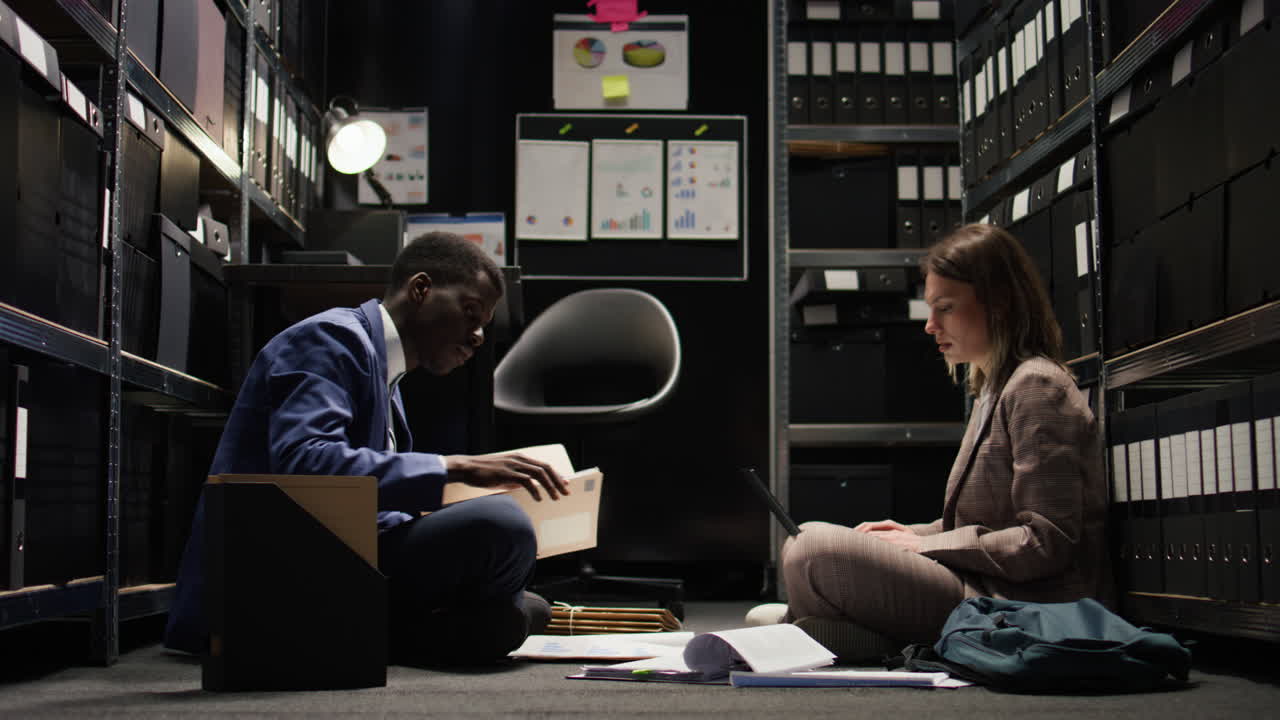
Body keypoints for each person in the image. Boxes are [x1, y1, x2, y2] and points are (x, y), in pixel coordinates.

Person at [164, 231, 570, 665]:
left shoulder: (385, 374)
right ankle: (349, 635)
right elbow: (304, 463)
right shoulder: (329, 339)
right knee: (503, 527)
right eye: (470, 313)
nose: (476, 337)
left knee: (528, 606)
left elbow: (368, 502)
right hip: (279, 572)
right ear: (420, 289)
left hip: (338, 558)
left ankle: (374, 633)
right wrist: (455, 469)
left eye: (482, 327)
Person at [762, 223, 1113, 662]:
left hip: (1016, 602)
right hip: (979, 584)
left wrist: (925, 546)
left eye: (945, 308)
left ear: (999, 304)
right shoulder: (994, 387)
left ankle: (842, 637)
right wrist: (916, 533)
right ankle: (847, 638)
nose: (930, 326)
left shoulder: (1037, 387)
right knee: (806, 539)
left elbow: (1047, 543)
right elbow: (983, 520)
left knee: (812, 550)